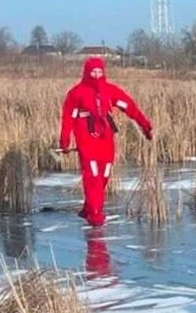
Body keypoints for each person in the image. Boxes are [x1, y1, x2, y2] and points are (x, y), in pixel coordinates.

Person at [59, 56, 154, 226]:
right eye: (93, 72)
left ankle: (89, 207)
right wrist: (65, 140)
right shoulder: (77, 93)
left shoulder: (109, 91)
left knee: (104, 174)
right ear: (87, 72)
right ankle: (95, 212)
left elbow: (128, 106)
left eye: (99, 72)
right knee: (92, 174)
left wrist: (144, 124)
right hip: (86, 137)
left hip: (106, 138)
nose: (96, 75)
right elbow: (68, 117)